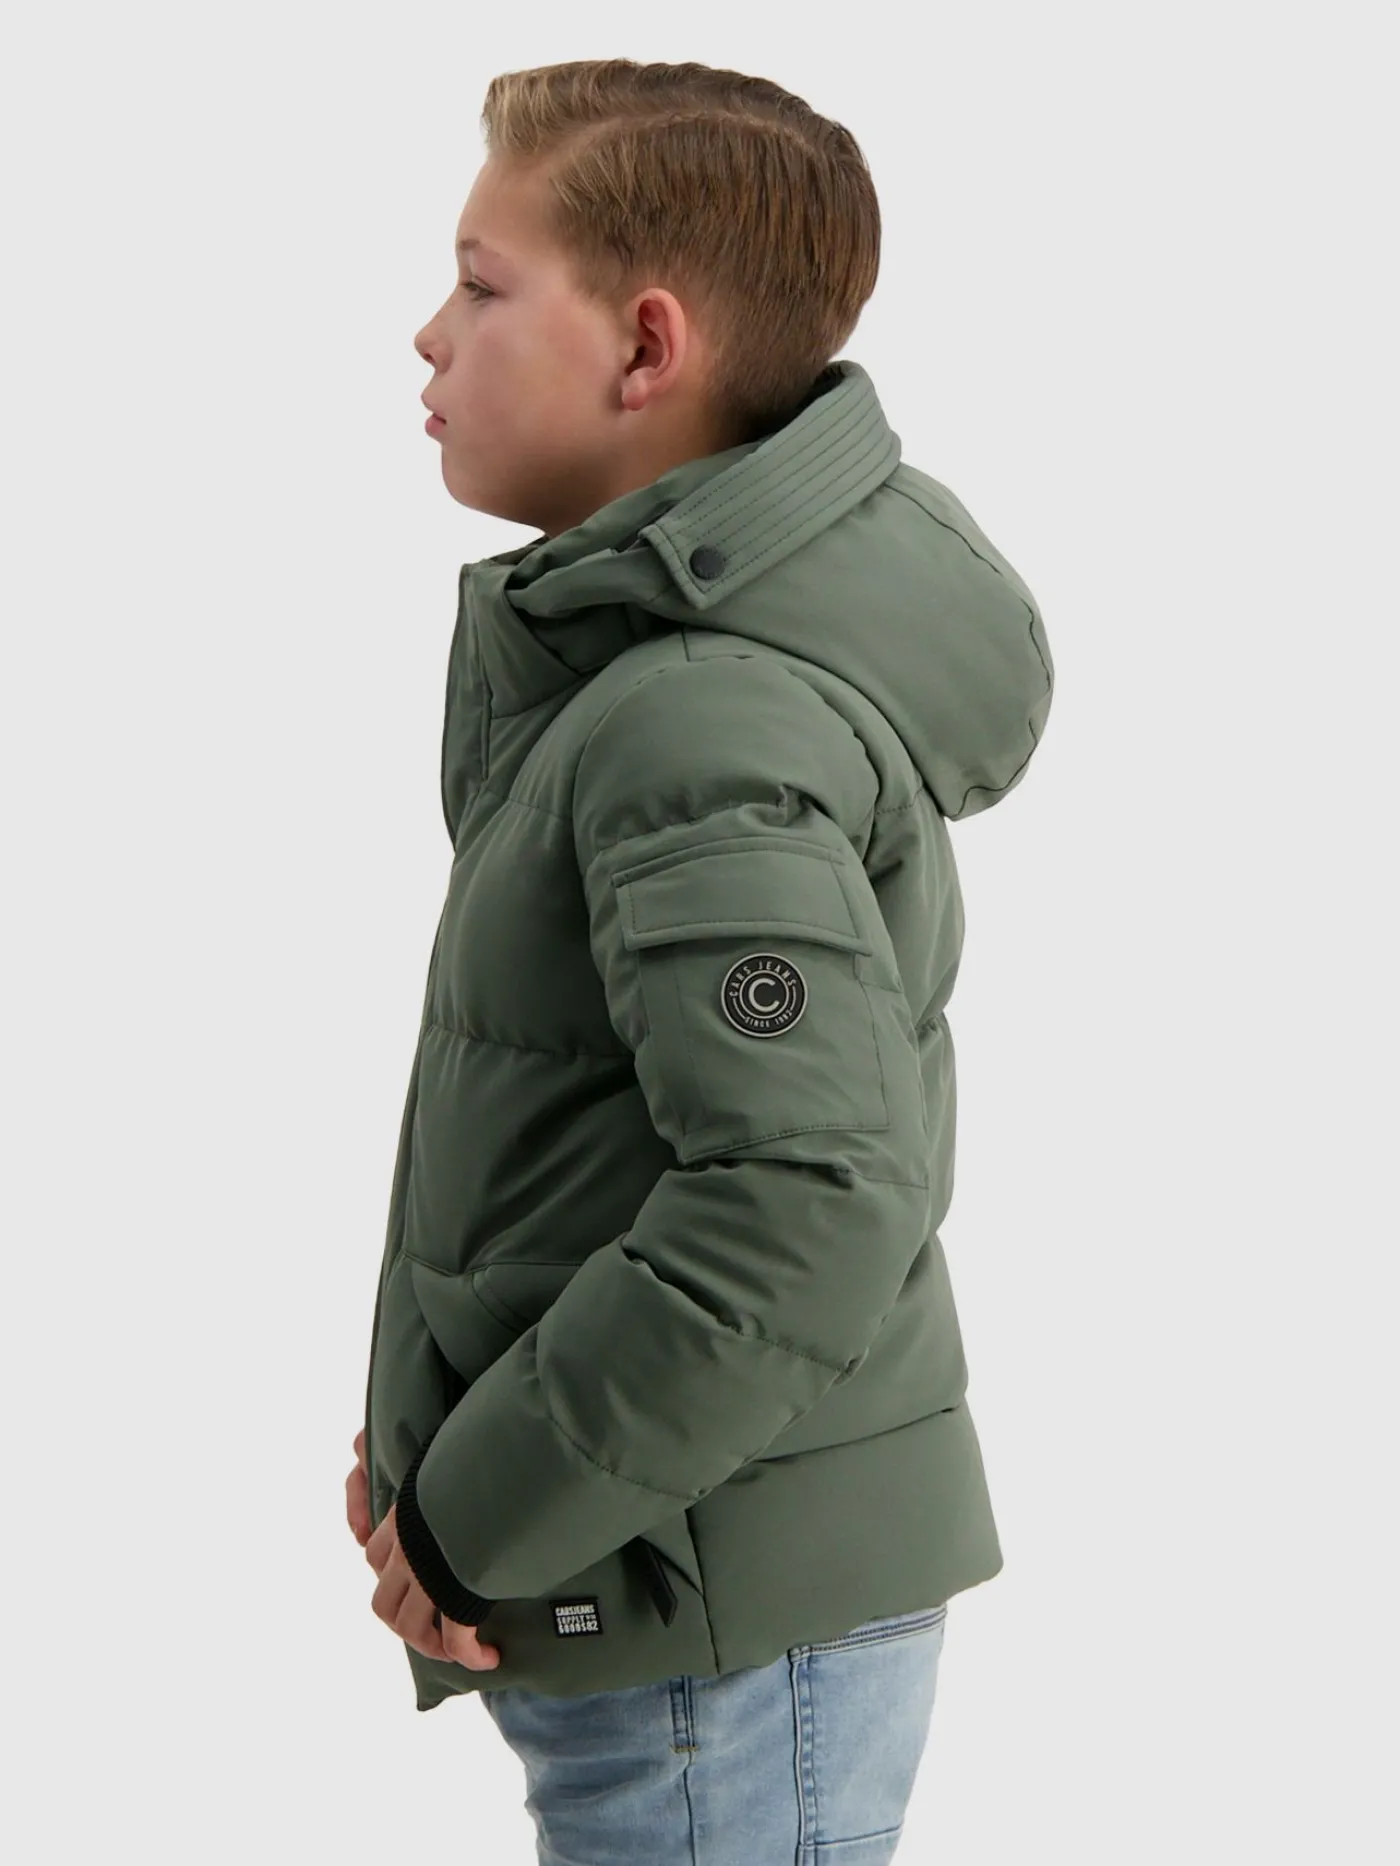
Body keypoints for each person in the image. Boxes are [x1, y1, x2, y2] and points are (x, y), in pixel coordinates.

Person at [346, 54, 1053, 1865]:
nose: (430, 333)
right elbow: (593, 1143)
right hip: (695, 1578)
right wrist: (440, 1445)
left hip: (720, 1631)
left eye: (482, 284)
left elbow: (803, 1197)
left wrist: (479, 1508)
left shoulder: (700, 722)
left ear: (645, 348)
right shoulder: (647, 683)